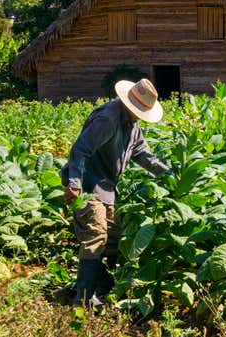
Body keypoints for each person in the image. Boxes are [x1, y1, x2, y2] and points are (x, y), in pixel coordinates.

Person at [60, 78, 171, 307]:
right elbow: (80, 150)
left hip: (107, 188)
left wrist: (167, 173)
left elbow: (141, 152)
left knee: (112, 237)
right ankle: (82, 299)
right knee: (96, 235)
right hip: (87, 185)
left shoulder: (132, 122)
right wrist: (74, 183)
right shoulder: (108, 118)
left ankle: (99, 289)